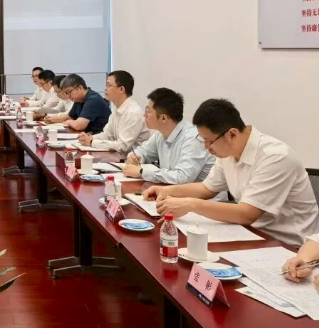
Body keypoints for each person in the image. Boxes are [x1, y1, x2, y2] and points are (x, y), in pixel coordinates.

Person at [145, 99, 319, 247]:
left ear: (232, 134)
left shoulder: (275, 156)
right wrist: (167, 190)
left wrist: (190, 204)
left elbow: (247, 213)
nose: (206, 147)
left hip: (290, 247)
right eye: (203, 140)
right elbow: (206, 189)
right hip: (250, 235)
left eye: (209, 141)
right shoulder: (228, 152)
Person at [122, 88, 215, 185]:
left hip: (199, 194)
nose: (144, 115)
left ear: (163, 118)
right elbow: (143, 152)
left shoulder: (193, 138)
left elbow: (182, 177)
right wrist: (134, 157)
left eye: (148, 111)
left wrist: (142, 172)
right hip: (172, 191)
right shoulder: (160, 134)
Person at [78, 70, 149, 153]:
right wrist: (89, 138)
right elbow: (107, 135)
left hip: (133, 158)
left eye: (109, 85)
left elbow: (122, 146)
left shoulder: (133, 113)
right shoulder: (117, 109)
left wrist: (92, 142)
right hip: (119, 156)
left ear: (121, 89)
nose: (105, 89)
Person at [44, 74, 111, 133]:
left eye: (69, 92)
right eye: (66, 93)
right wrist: (52, 119)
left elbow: (79, 125)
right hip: (87, 135)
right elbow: (69, 117)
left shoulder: (93, 99)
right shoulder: (79, 99)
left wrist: (69, 122)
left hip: (99, 138)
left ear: (79, 88)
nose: (68, 96)